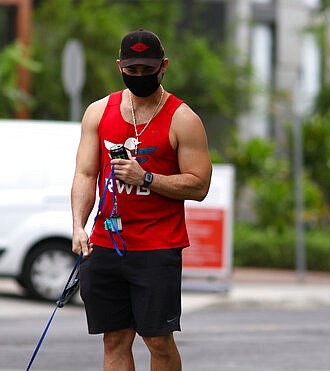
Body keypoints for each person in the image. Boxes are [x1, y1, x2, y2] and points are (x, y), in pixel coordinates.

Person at [71, 29, 212, 371]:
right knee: (115, 339)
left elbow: (199, 185)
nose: (139, 77)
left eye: (147, 70)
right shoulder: (98, 112)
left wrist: (146, 178)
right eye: (132, 71)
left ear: (163, 67)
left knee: (158, 341)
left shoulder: (183, 119)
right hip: (106, 243)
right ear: (120, 66)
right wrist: (77, 225)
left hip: (157, 247)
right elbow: (86, 175)